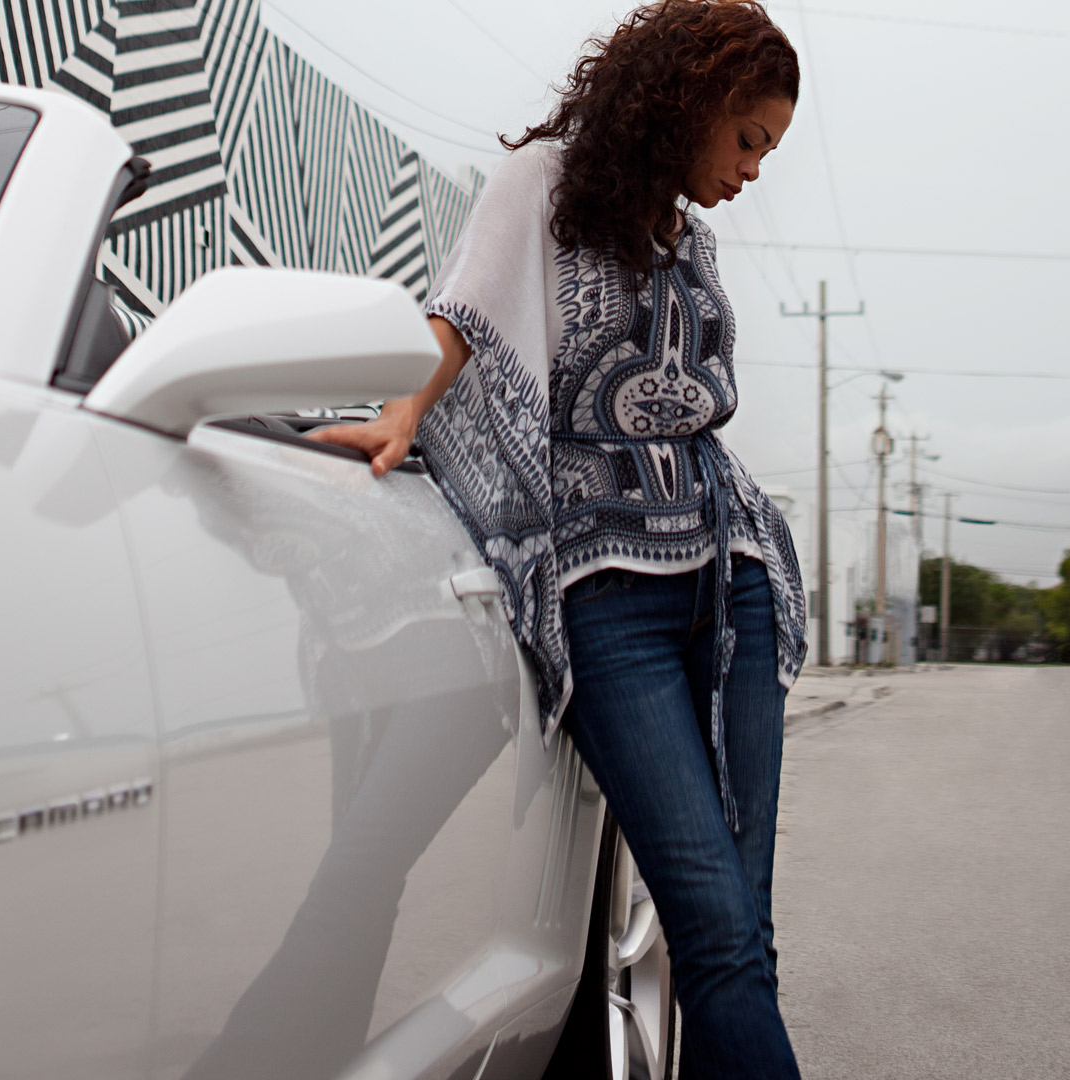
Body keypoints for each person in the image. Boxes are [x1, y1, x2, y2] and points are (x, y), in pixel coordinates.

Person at [312, 1, 809, 1076]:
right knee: (712, 930)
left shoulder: (690, 236)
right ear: (693, 98)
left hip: (735, 586)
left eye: (767, 148)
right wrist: (403, 412)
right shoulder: (541, 183)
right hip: (608, 596)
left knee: (743, 944)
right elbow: (465, 310)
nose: (755, 168)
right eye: (749, 138)